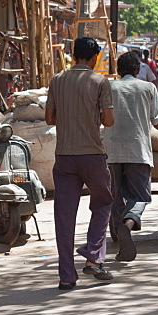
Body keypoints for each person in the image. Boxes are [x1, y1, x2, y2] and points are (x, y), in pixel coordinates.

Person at [45, 37, 116, 290]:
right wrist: (92, 115)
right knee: (103, 203)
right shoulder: (99, 81)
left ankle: (66, 277)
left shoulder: (57, 80)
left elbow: (49, 118)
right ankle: (93, 256)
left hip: (64, 157)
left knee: (64, 218)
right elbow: (109, 121)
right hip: (92, 156)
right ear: (95, 57)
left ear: (74, 55)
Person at [104, 51, 158, 262]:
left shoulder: (108, 87)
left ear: (118, 70)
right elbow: (157, 123)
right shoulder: (148, 87)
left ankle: (121, 233)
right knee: (139, 196)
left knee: (115, 197)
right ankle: (128, 224)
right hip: (137, 151)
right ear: (139, 70)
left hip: (111, 150)